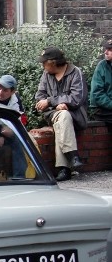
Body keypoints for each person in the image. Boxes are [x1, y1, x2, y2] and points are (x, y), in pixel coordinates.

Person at [34, 46, 88, 181]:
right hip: (52, 113)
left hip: (75, 114)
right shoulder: (46, 75)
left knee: (63, 118)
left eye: (44, 62)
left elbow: (76, 98)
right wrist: (55, 104)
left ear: (52, 62)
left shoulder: (75, 72)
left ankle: (64, 169)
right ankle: (73, 156)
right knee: (62, 117)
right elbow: (39, 97)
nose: (42, 65)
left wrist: (52, 101)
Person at [89, 38, 112, 125]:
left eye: (110, 50)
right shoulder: (102, 66)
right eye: (106, 49)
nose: (105, 52)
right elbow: (98, 94)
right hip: (101, 109)